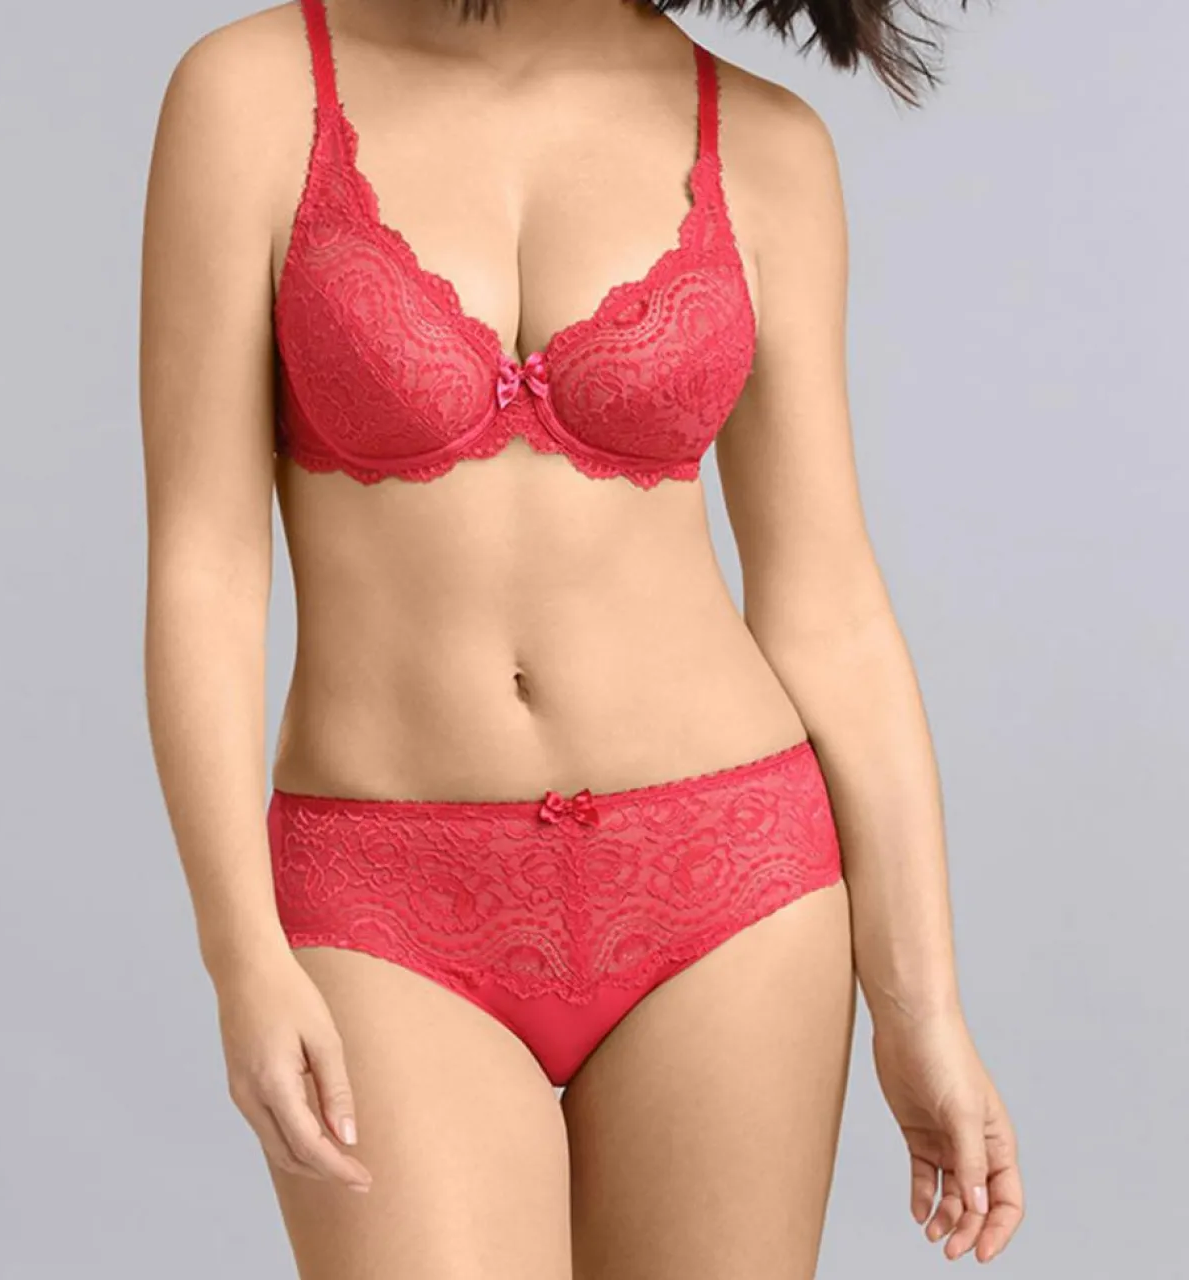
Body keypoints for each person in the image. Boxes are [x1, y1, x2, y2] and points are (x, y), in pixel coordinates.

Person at [139, 0, 1025, 1274]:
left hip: (728, 884)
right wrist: (241, 954)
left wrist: (921, 1001)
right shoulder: (254, 93)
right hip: (388, 893)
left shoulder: (764, 143)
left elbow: (825, 602)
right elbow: (206, 569)